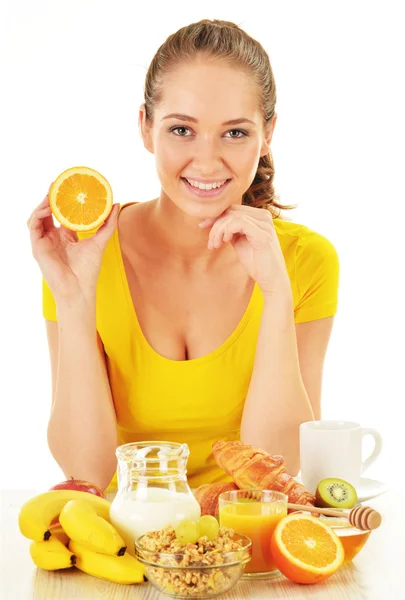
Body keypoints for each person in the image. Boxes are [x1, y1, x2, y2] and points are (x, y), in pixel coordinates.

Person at [27, 19, 339, 493]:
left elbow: (279, 469)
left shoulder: (304, 260)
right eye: (182, 130)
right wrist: (73, 299)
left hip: (242, 541)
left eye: (235, 133)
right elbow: (85, 474)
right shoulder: (84, 255)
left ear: (268, 133)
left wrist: (276, 293)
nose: (208, 161)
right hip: (123, 540)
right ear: (146, 129)